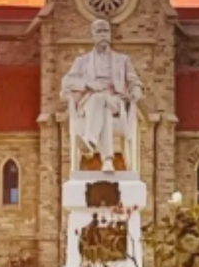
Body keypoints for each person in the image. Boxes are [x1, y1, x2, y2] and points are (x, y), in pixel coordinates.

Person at [60, 19, 144, 173]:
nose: (103, 35)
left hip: (116, 101)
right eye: (99, 31)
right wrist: (87, 83)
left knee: (103, 100)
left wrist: (136, 90)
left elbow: (134, 81)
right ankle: (107, 160)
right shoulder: (82, 61)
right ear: (92, 35)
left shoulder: (122, 60)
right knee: (100, 102)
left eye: (106, 31)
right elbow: (66, 82)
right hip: (91, 101)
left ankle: (90, 140)